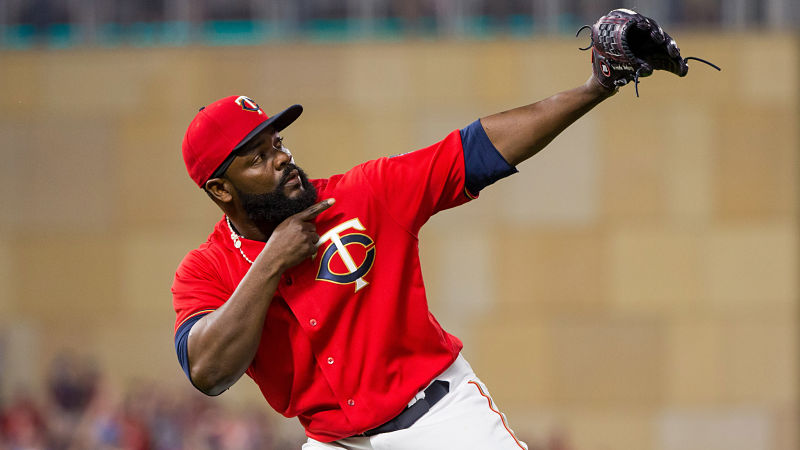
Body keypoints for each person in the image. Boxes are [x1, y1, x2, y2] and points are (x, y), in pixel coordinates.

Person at [173, 56, 621, 449]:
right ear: (219, 188)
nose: (282, 159)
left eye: (277, 144)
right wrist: (271, 262)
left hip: (440, 419)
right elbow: (208, 372)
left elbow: (474, 151)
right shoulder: (205, 269)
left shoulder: (362, 195)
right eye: (257, 158)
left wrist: (596, 86)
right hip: (334, 441)